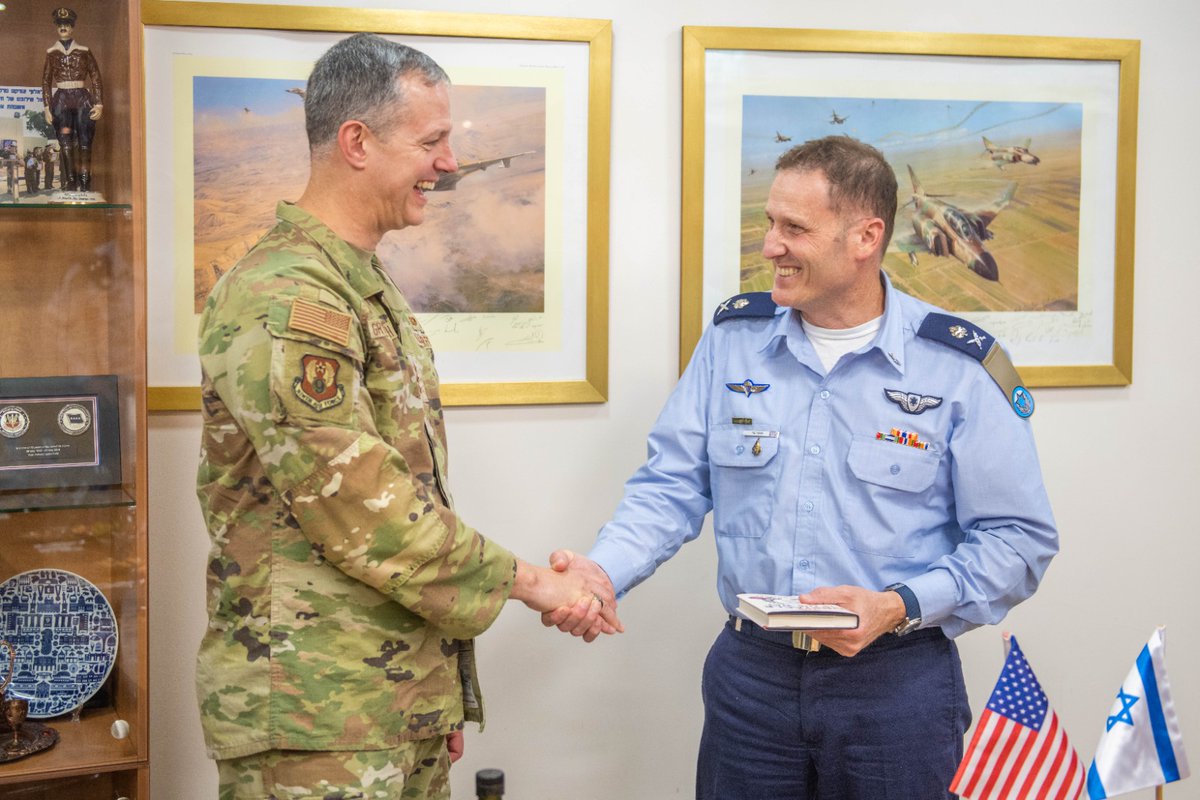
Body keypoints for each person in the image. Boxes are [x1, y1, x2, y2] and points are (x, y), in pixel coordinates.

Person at [545, 136, 1058, 799]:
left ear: (866, 237)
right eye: (769, 223)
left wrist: (898, 605)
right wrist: (602, 572)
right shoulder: (733, 341)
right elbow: (670, 488)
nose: (770, 247)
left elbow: (1017, 539)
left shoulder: (957, 365)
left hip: (895, 684)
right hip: (751, 681)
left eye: (794, 228)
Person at [195, 33, 617, 800]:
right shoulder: (290, 296)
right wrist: (532, 583)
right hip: (317, 720)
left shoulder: (360, 284)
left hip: (387, 704)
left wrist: (434, 688)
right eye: (431, 142)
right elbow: (362, 503)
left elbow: (413, 491)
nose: (449, 163)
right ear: (357, 142)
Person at [42, 7, 103, 192]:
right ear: (56, 27)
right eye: (60, 24)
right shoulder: (51, 53)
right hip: (61, 99)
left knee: (85, 140)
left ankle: (85, 183)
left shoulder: (84, 51)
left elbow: (95, 76)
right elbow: (45, 81)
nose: (63, 28)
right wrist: (47, 107)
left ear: (72, 27)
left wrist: (99, 103)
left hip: (82, 98)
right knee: (65, 142)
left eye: (67, 24)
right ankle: (70, 182)